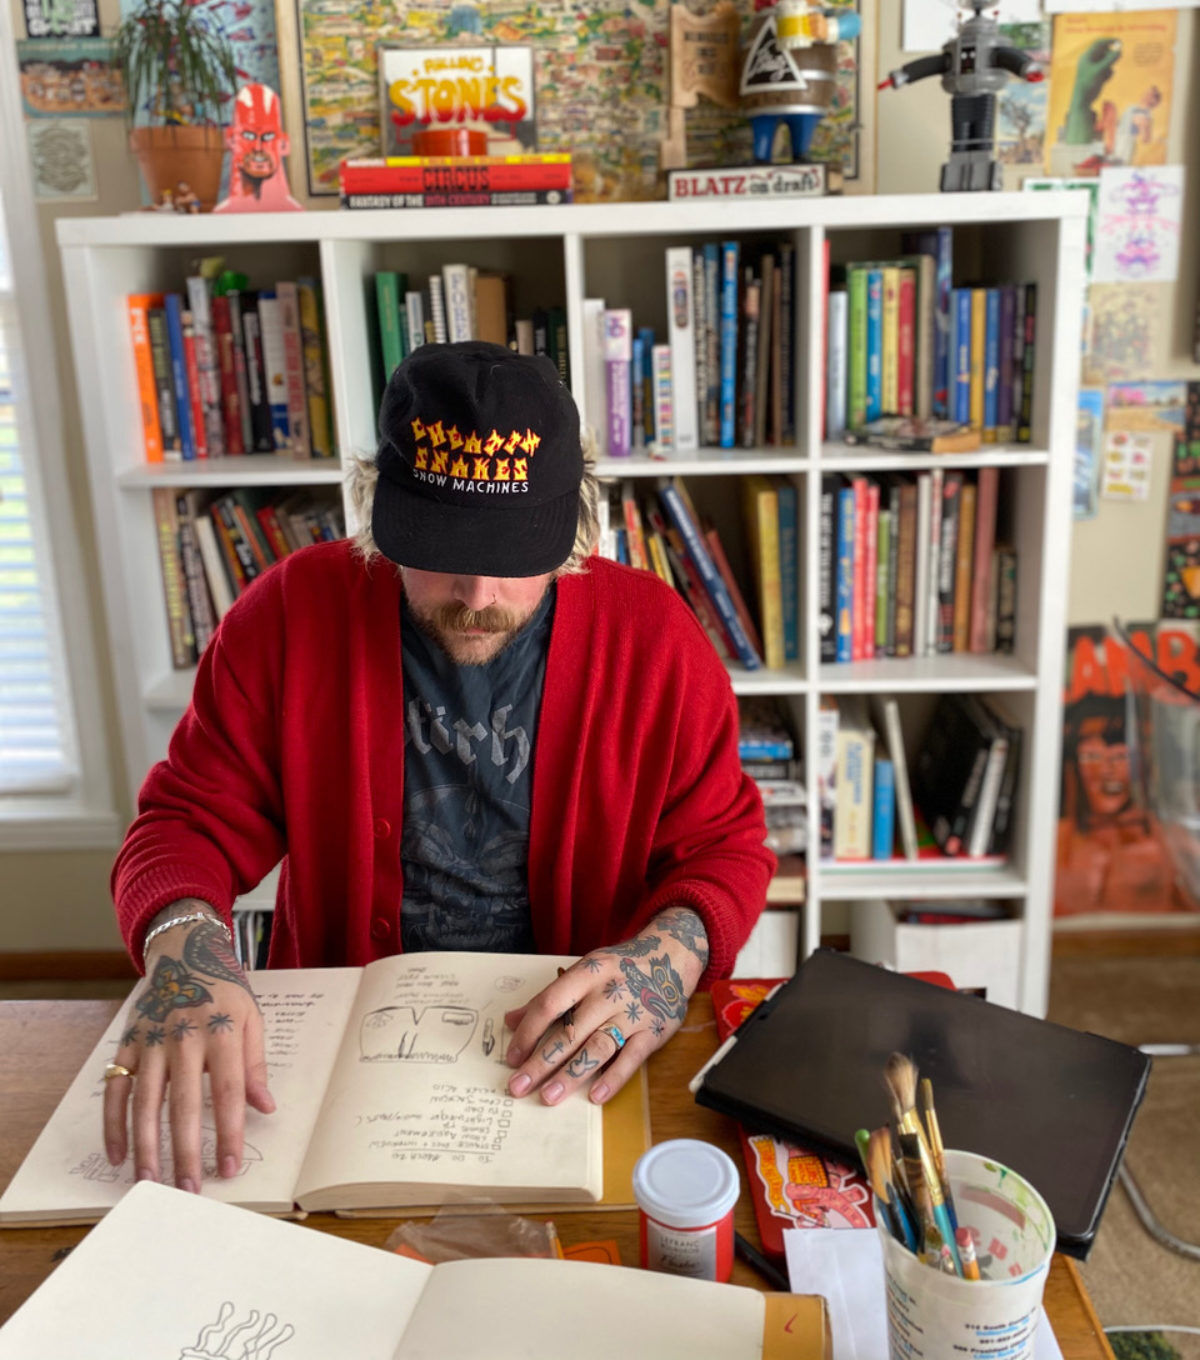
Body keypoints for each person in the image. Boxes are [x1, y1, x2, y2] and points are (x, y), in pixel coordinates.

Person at [103, 342, 774, 1193]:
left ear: (572, 521)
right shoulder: (288, 616)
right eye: (443, 547)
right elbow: (185, 822)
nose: (478, 593)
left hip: (572, 1059)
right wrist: (182, 946)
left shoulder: (654, 641)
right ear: (378, 506)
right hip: (339, 1060)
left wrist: (667, 960)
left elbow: (723, 850)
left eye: (515, 552)